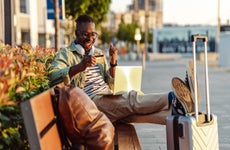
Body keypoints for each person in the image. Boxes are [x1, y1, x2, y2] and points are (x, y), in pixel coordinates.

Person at [48, 14, 197, 149]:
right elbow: (53, 75)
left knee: (134, 112)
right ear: (76, 34)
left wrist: (113, 62)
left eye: (93, 34)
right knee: (131, 99)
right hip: (90, 104)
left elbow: (110, 82)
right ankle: (174, 97)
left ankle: (177, 113)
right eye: (85, 34)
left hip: (106, 96)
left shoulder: (98, 53)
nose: (90, 38)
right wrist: (80, 67)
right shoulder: (66, 54)